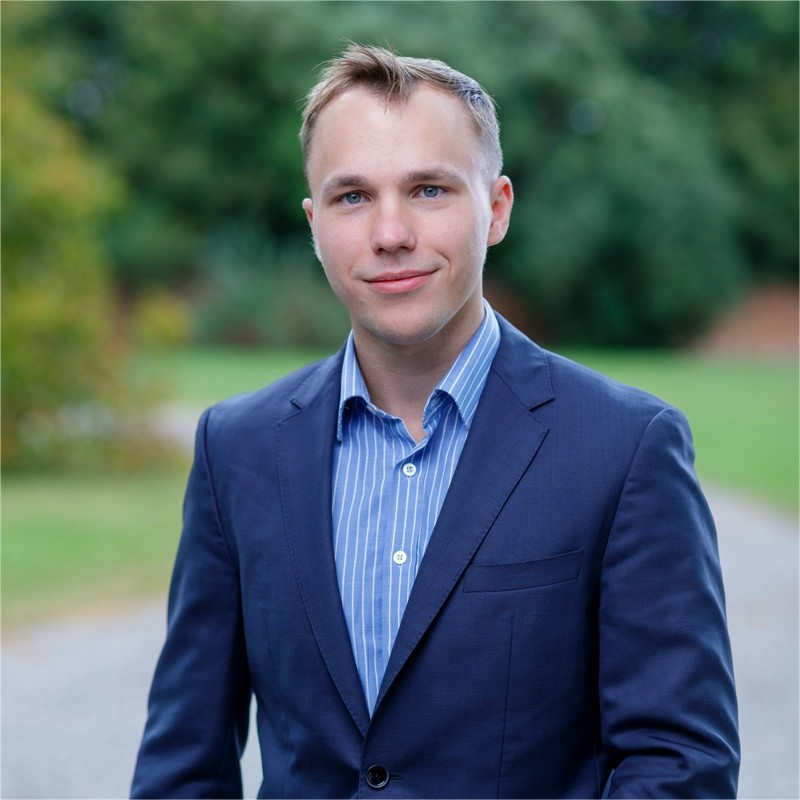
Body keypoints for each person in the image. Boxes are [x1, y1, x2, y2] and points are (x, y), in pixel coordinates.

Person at [132, 44, 739, 799]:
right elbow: (183, 764)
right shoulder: (238, 450)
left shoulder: (625, 448)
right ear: (315, 223)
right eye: (353, 197)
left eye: (428, 189)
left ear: (495, 208)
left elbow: (678, 765)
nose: (391, 233)